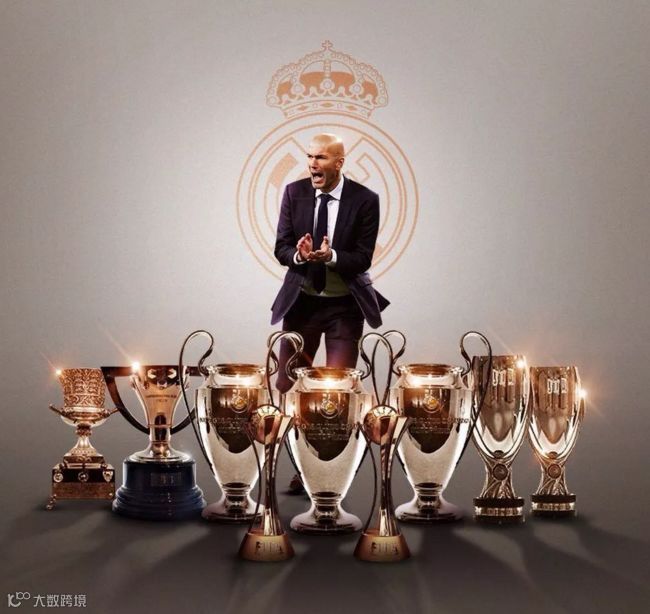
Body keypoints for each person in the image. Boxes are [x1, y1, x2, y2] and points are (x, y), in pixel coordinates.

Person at [271, 132, 389, 403]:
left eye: (321, 157)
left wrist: (331, 256)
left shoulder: (365, 199)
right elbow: (281, 248)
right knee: (287, 385)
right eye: (310, 156)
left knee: (338, 391)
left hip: (344, 307)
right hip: (302, 305)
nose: (313, 163)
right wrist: (299, 256)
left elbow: (363, 258)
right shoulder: (293, 192)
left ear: (339, 163)